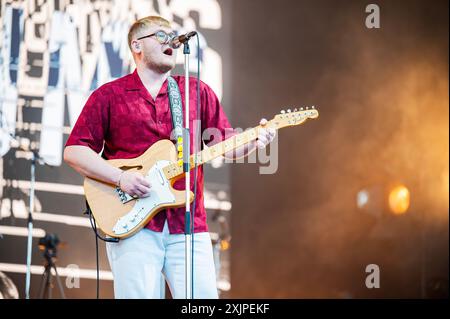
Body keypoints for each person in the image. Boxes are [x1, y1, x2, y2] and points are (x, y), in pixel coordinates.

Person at [63, 16, 276, 299]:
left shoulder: (196, 92)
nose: (171, 42)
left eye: (172, 36)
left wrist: (254, 140)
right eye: (161, 36)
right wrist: (121, 177)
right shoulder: (110, 96)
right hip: (133, 226)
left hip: (188, 224)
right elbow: (75, 151)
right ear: (136, 45)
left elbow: (225, 145)